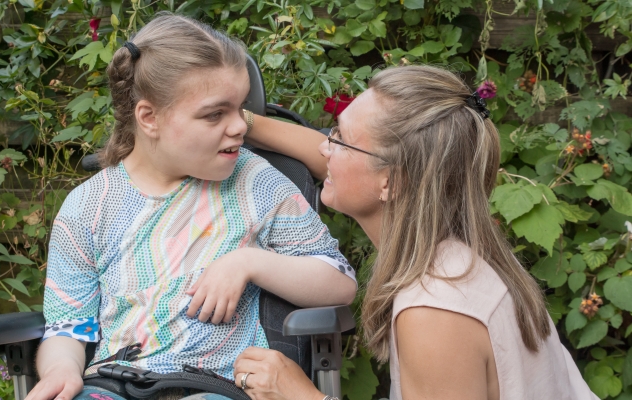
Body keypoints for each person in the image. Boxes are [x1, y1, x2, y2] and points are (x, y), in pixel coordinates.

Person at [25, 14, 357, 400]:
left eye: (240, 109)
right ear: (149, 117)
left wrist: (248, 262)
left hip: (214, 386)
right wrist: (61, 368)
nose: (239, 127)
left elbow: (340, 284)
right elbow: (68, 327)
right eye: (215, 114)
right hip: (113, 384)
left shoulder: (254, 181)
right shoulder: (88, 206)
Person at [231, 65, 598, 400]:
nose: (324, 146)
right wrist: (240, 119)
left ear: (392, 181)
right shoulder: (457, 257)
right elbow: (342, 157)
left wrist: (301, 396)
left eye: (339, 138)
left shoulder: (435, 310)